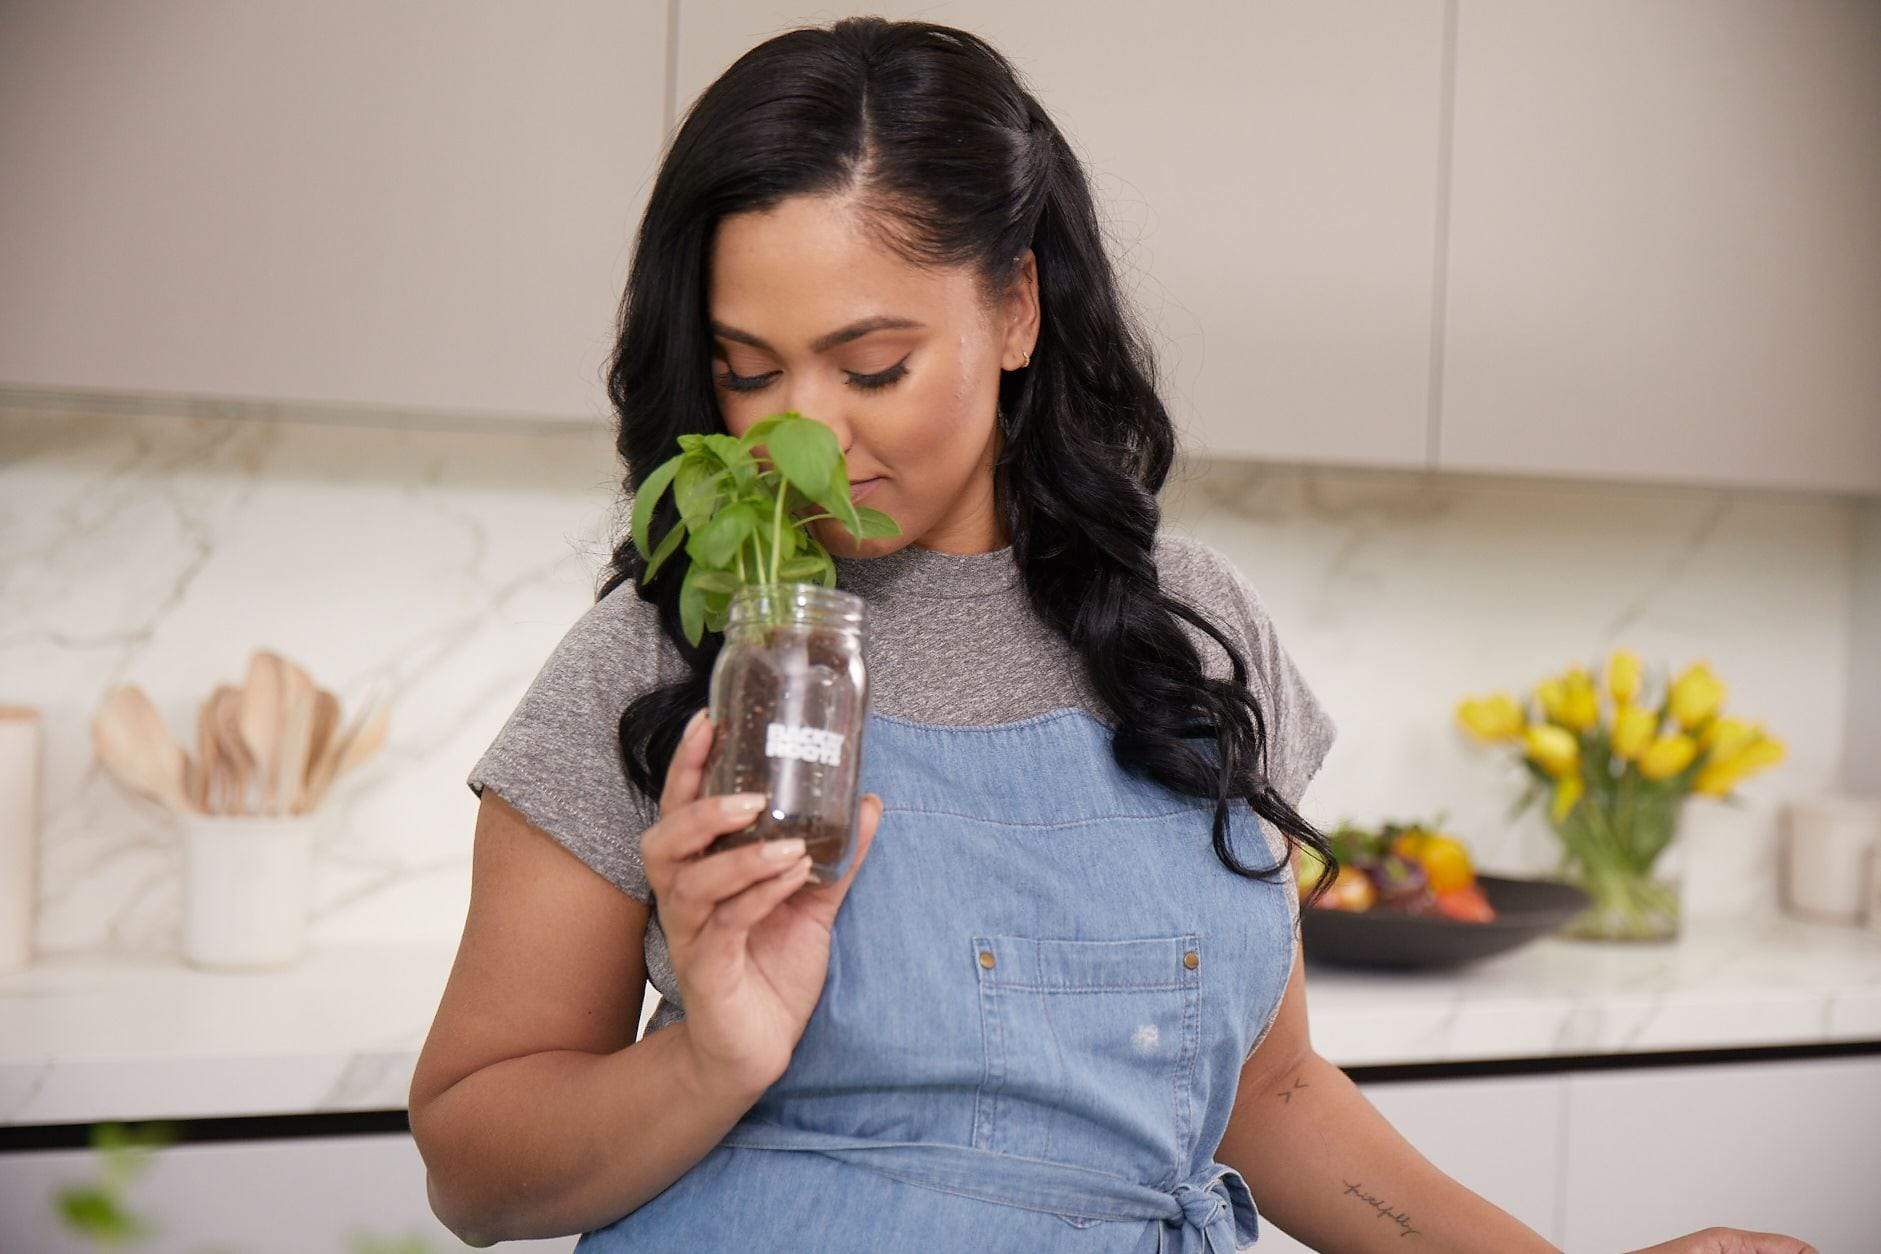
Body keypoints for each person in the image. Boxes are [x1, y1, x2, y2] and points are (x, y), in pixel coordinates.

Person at [408, 16, 1819, 1254]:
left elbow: (1265, 1098)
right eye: (747, 371)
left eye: (874, 365)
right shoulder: (664, 656)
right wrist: (709, 1057)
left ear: (1016, 307)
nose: (800, 439)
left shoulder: (1191, 635)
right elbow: (473, 1164)